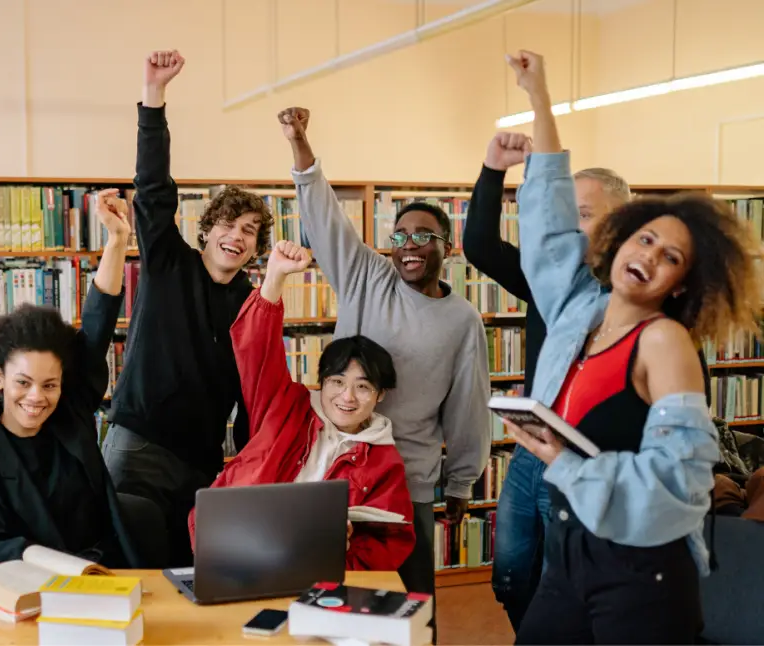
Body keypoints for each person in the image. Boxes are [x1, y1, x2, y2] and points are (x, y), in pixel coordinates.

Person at [502, 50, 764, 644]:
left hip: (640, 571)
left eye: (671, 257)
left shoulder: (664, 341)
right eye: (644, 239)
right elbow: (547, 225)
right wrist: (540, 99)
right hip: (571, 551)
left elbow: (681, 484)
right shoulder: (578, 308)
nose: (648, 256)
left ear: (683, 285)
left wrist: (564, 462)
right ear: (618, 240)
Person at [277, 107, 491, 597]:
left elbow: (468, 406)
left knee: (408, 602)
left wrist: (461, 482)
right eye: (400, 236)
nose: (409, 245)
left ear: (448, 247)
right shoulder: (366, 276)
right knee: (326, 595)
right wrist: (299, 142)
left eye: (423, 236)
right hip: (338, 467)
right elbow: (324, 218)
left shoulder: (462, 320)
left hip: (407, 479)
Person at [101, 50, 275, 567]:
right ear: (208, 230)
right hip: (138, 446)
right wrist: (154, 95)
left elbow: (254, 391)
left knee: (187, 574)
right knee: (124, 568)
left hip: (201, 463)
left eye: (250, 231)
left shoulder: (252, 303)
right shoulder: (167, 261)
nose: (237, 236)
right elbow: (153, 187)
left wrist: (247, 464)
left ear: (256, 247)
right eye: (228, 224)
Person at [462, 133, 632, 630]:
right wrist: (494, 169)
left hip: (584, 458)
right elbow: (480, 246)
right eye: (563, 215)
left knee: (566, 585)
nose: (569, 226)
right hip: (529, 454)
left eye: (584, 214)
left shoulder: (637, 297)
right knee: (511, 577)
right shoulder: (547, 282)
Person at [0, 189, 155, 568]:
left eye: (50, 384)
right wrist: (66, 566)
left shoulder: (71, 415)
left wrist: (117, 240)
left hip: (109, 572)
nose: (36, 397)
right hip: (31, 579)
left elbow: (97, 325)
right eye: (23, 382)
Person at [188, 240, 415, 570]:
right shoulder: (285, 406)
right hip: (237, 551)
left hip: (315, 571)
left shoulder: (384, 460)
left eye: (363, 387)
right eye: (337, 382)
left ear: (380, 395)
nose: (347, 397)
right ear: (321, 381)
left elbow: (389, 542)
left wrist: (341, 554)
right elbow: (258, 350)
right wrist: (275, 276)